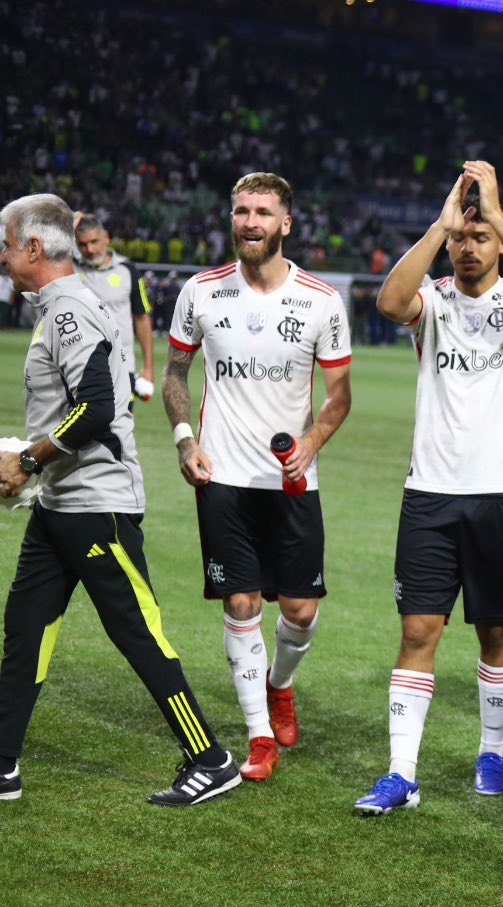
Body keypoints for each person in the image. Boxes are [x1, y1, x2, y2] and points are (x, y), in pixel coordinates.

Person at [0, 193, 238, 805]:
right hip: (61, 503)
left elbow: (95, 411)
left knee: (137, 631)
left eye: (5, 243)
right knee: (26, 630)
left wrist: (27, 460)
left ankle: (210, 759)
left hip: (96, 505)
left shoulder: (72, 310)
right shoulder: (60, 308)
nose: (1, 255)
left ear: (32, 248)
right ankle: (2, 763)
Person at [356, 162, 503, 814]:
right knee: (418, 629)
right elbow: (390, 303)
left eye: (480, 238)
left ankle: (492, 751)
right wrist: (438, 226)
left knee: (495, 633)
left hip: (502, 492)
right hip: (431, 492)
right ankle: (401, 773)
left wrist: (496, 212)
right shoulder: (434, 300)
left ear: (500, 244)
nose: (468, 247)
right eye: (461, 239)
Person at [163, 173, 352, 783]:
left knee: (298, 611)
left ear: (285, 223)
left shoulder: (320, 299)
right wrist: (185, 439)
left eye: (263, 212)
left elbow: (339, 397)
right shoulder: (200, 290)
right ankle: (259, 735)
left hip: (292, 482)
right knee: (240, 602)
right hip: (222, 476)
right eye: (241, 210)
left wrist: (312, 441)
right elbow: (174, 376)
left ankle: (280, 684)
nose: (249, 221)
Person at [73, 213, 156, 407]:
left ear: (106, 238)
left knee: (120, 432)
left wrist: (148, 367)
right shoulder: (70, 268)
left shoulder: (127, 269)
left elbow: (142, 319)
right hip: (79, 366)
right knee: (81, 434)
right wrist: (69, 224)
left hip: (122, 365)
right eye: (82, 244)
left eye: (94, 241)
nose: (90, 249)